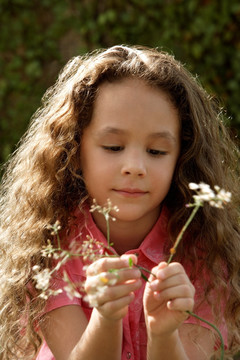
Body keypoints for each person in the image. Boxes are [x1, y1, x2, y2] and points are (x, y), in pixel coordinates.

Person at [0, 45, 239, 360]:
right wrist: (106, 317)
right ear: (73, 151)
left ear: (182, 158)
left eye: (156, 151)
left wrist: (164, 332)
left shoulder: (205, 251)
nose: (135, 166)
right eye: (113, 147)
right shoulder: (49, 248)